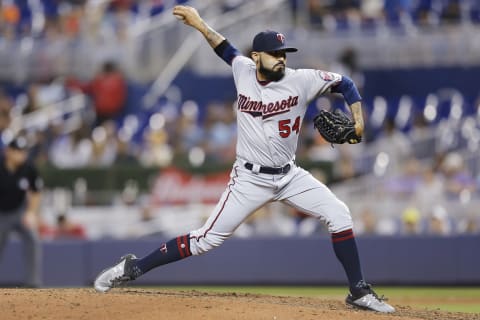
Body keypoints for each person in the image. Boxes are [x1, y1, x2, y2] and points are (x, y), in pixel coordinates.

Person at [94, 5, 395, 313]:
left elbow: (346, 84)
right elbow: (223, 46)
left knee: (340, 214)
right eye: (274, 53)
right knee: (204, 241)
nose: (281, 58)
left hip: (290, 176)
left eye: (284, 53)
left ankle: (358, 291)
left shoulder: (302, 79)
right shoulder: (242, 70)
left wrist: (357, 123)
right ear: (257, 57)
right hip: (249, 179)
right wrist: (199, 23)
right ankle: (134, 267)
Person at [0, 136, 43, 287]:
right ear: (8, 152)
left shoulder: (28, 167)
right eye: (18, 151)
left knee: (32, 238)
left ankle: (33, 283)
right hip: (1, 214)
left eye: (24, 152)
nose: (22, 155)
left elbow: (36, 192)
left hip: (19, 211)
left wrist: (31, 213)